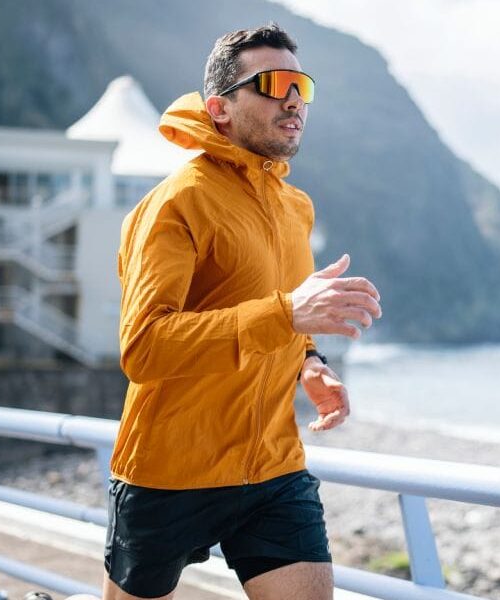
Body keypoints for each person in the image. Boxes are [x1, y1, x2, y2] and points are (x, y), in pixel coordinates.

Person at [96, 23, 381, 600]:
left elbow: (285, 315)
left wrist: (310, 363)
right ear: (220, 108)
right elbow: (145, 347)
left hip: (273, 467)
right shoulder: (176, 203)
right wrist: (287, 316)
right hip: (170, 470)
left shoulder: (295, 207)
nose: (294, 98)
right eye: (274, 83)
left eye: (302, 84)